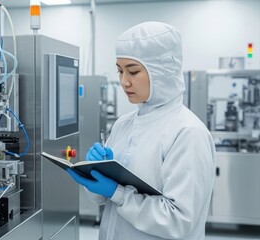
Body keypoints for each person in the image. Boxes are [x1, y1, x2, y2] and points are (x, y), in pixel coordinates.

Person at [67, 22, 215, 239]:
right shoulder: (124, 124)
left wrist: (117, 192)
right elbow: (100, 199)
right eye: (119, 71)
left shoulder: (187, 133)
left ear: (163, 71)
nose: (124, 82)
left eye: (133, 71)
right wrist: (95, 172)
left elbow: (178, 221)